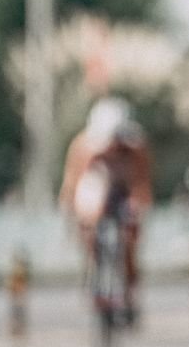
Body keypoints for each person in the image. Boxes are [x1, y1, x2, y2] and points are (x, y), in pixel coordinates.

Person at [59, 97, 153, 324]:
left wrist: (138, 209)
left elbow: (142, 184)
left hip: (123, 192)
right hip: (96, 190)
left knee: (129, 239)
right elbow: (73, 185)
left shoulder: (135, 147)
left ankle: (129, 291)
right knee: (90, 231)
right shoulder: (83, 147)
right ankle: (94, 273)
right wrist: (74, 217)